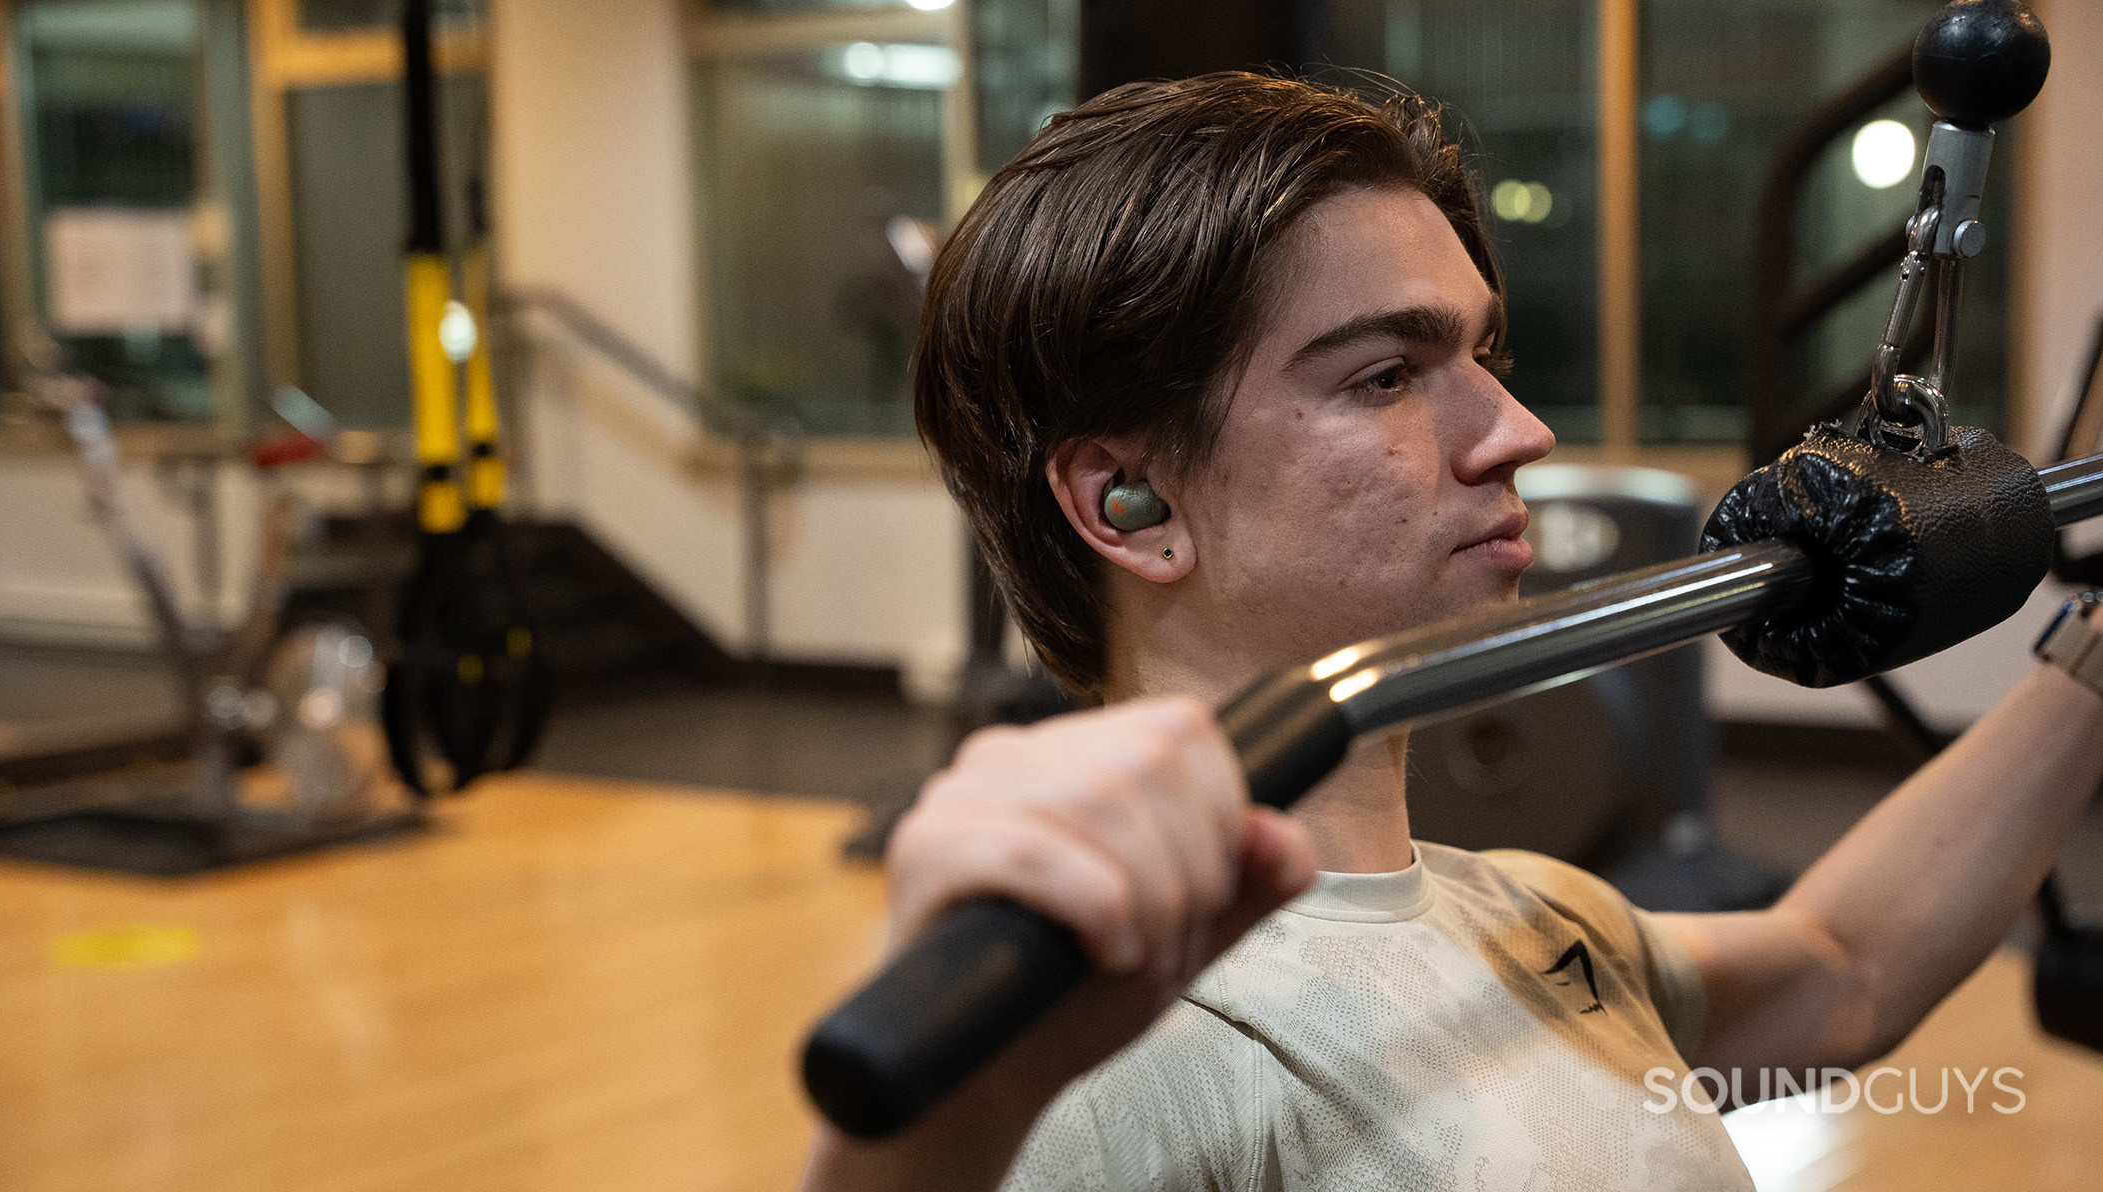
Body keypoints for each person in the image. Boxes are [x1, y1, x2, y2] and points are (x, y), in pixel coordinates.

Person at [799, 73, 2103, 1191]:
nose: (1517, 433)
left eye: (1488, 357)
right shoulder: (1097, 1052)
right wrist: (941, 1132)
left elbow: (1844, 966)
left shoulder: (1521, 915)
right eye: (1385, 376)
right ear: (1128, 503)